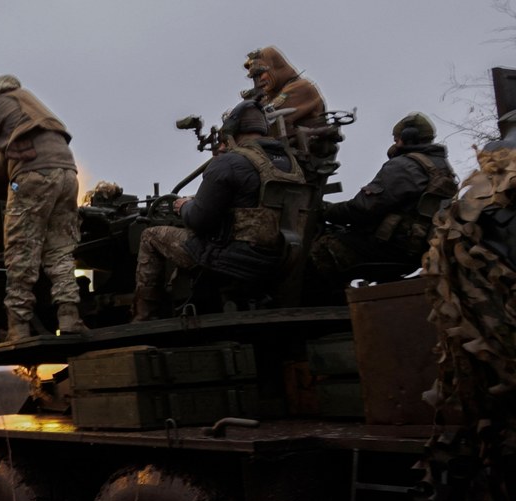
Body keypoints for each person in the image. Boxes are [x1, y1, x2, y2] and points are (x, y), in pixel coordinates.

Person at [133, 100, 306, 321]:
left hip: (234, 259)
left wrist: (183, 206)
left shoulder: (229, 162)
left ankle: (145, 319)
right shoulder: (292, 165)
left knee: (150, 236)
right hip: (283, 256)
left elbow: (198, 220)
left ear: (231, 130)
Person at [0, 74, 89, 339]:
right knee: (60, 251)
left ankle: (18, 326)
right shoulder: (29, 101)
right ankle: (69, 317)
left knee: (21, 250)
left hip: (32, 176)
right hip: (67, 176)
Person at [309, 112, 458, 291]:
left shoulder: (405, 166)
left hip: (391, 248)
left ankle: (323, 313)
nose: (394, 143)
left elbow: (362, 208)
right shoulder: (441, 168)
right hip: (417, 250)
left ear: (407, 137)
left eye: (396, 139)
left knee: (318, 250)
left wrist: (325, 210)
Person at [243, 46, 326, 134]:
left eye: (261, 73)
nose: (260, 79)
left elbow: (268, 116)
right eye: (255, 77)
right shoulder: (268, 96)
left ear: (275, 67)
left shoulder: (302, 87)